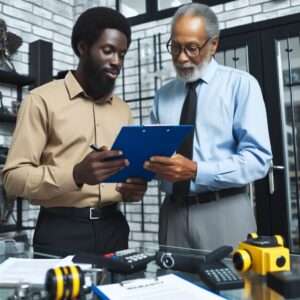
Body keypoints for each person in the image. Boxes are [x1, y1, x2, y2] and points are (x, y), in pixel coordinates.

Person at [2, 7, 147, 256]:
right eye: (108, 50)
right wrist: (76, 174)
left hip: (115, 229)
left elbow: (124, 172)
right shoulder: (40, 100)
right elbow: (13, 178)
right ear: (83, 47)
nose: (117, 61)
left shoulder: (124, 110)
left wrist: (133, 189)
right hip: (60, 231)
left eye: (122, 54)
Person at [144, 3, 272, 250]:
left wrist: (195, 170)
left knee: (233, 288)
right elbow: (153, 153)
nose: (181, 57)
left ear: (213, 44)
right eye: (175, 47)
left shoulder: (241, 86)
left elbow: (258, 160)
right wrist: (131, 166)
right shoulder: (163, 94)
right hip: (172, 214)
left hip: (224, 211)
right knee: (173, 286)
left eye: (191, 48)